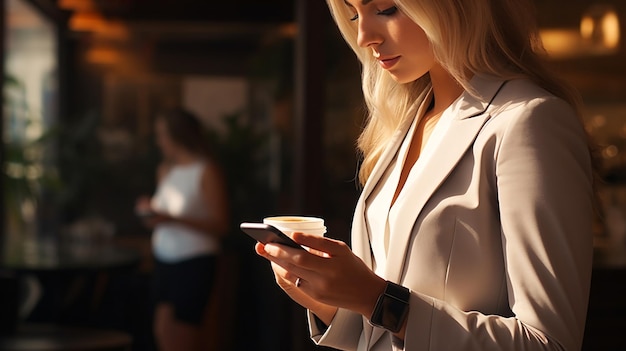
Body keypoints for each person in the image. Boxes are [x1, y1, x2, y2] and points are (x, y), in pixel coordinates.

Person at [255, 0, 595, 350]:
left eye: (385, 9)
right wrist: (329, 299)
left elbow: (549, 343)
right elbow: (385, 327)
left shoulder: (528, 121)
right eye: (354, 14)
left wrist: (375, 298)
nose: (363, 36)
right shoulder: (402, 129)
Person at [135, 108, 229, 351]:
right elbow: (160, 218)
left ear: (178, 136)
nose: (158, 141)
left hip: (194, 261)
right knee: (160, 331)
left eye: (161, 135)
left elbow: (221, 224)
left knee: (182, 337)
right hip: (164, 259)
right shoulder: (165, 170)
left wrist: (173, 219)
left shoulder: (206, 171)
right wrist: (149, 213)